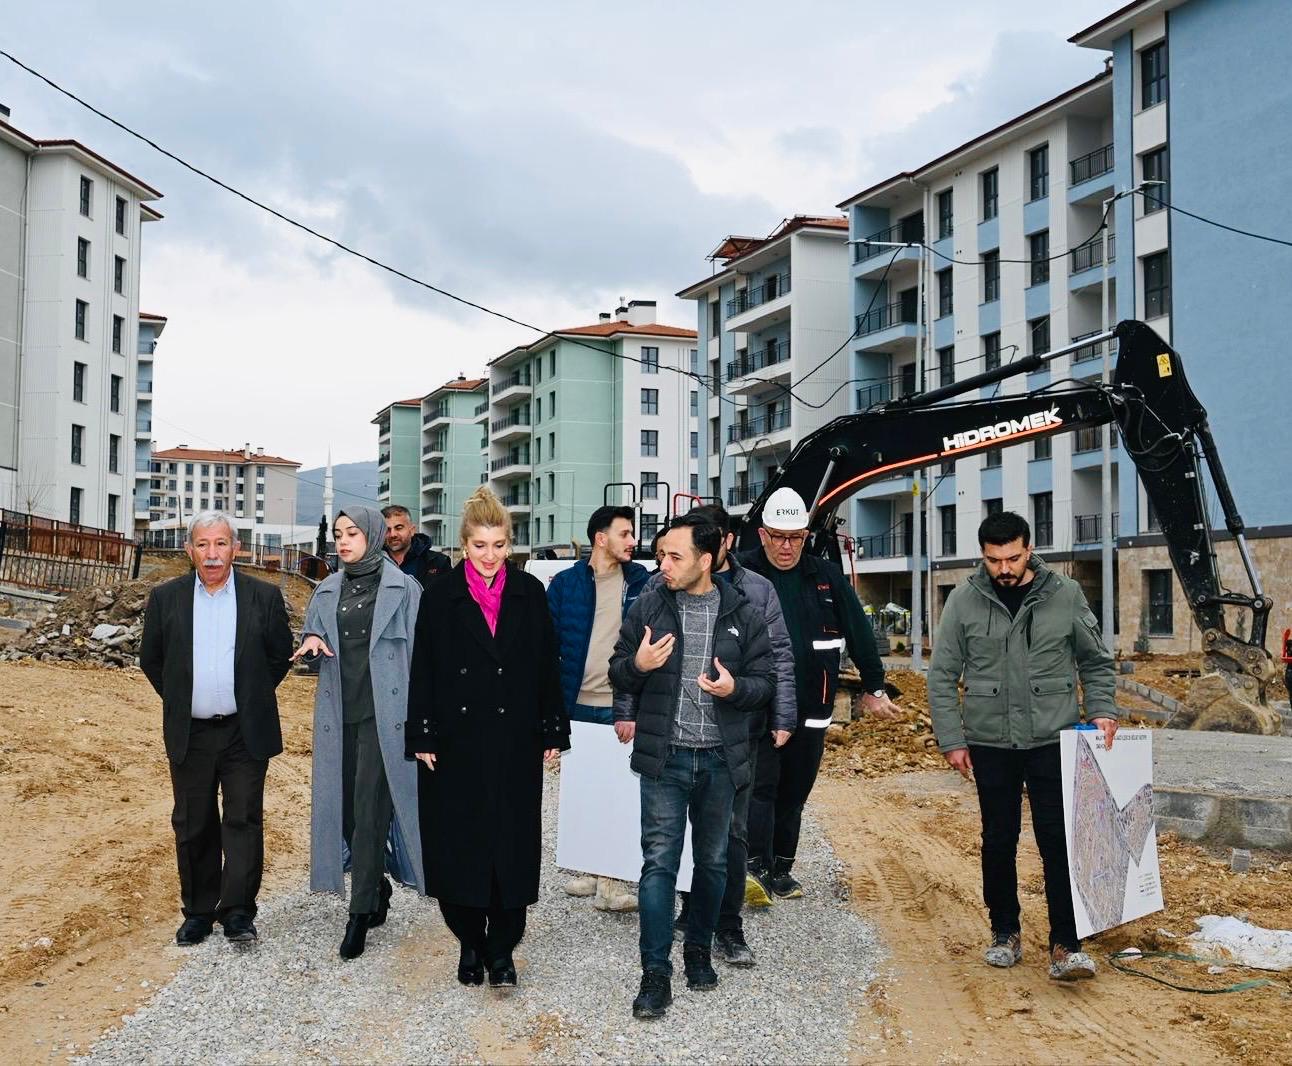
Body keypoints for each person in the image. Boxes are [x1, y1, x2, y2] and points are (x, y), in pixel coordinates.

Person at [928, 510, 1118, 981]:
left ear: (1029, 549)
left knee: (1059, 841)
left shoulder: (1065, 594)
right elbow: (941, 676)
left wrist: (1103, 710)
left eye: (1013, 557)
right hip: (990, 742)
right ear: (983, 556)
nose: (1005, 569)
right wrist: (952, 739)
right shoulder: (963, 602)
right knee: (998, 839)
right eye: (994, 560)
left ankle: (1066, 945)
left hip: (1053, 740)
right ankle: (1005, 932)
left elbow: (1095, 662)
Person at [609, 513, 775, 1020]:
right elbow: (619, 671)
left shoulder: (743, 613)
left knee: (714, 864)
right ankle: (654, 974)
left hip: (722, 761)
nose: (662, 564)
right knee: (658, 864)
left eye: (674, 556)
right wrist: (639, 665)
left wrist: (735, 689)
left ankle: (698, 949)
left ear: (707, 560)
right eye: (661, 554)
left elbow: (765, 683)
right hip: (666, 759)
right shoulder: (648, 604)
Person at [406, 486, 569, 988]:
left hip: (515, 738)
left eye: (499, 545)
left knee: (512, 845)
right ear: (463, 544)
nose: (490, 556)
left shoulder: (529, 593)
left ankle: (502, 950)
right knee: (459, 844)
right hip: (456, 742)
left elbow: (546, 665)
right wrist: (424, 733)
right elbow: (425, 670)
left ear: (510, 544)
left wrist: (552, 727)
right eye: (480, 546)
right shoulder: (439, 595)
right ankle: (469, 942)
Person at [140, 511, 293, 946]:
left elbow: (278, 657)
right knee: (193, 823)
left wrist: (247, 698)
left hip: (245, 732)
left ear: (236, 548)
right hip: (191, 731)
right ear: (189, 550)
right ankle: (199, 912)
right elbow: (152, 661)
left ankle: (239, 912)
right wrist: (185, 699)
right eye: (203, 545)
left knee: (243, 819)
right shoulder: (166, 598)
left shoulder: (262, 597)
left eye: (221, 543)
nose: (212, 554)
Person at [740, 487, 897, 906]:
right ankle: (753, 867)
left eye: (797, 537)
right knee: (760, 787)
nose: (788, 546)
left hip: (813, 702)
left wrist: (873, 686)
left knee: (795, 790)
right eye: (779, 536)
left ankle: (781, 868)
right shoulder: (743, 574)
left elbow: (860, 634)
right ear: (762, 534)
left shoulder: (826, 576)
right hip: (759, 705)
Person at [658, 503, 796, 967]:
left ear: (726, 541)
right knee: (677, 831)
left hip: (739, 734)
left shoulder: (757, 590)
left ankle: (729, 927)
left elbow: (778, 656)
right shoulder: (665, 586)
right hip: (679, 736)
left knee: (731, 833)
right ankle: (691, 910)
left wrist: (783, 717)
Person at [295, 506, 425, 960]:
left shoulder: (404, 589)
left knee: (370, 812)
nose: (344, 540)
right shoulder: (326, 591)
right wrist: (311, 644)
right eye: (337, 533)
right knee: (346, 813)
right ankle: (379, 887)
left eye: (352, 532)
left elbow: (424, 659)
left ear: (371, 536)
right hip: (339, 715)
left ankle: (359, 913)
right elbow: (314, 641)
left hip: (385, 717)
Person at [547, 505, 650, 912]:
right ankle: (591, 868)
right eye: (625, 533)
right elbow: (548, 645)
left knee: (620, 792)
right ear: (600, 538)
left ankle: (611, 880)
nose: (633, 541)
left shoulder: (642, 582)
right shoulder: (566, 585)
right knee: (584, 792)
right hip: (577, 703)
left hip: (619, 704)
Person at [383, 504, 451, 587]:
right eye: (387, 530)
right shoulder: (374, 563)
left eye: (399, 528)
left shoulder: (438, 562)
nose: (393, 534)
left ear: (412, 530)